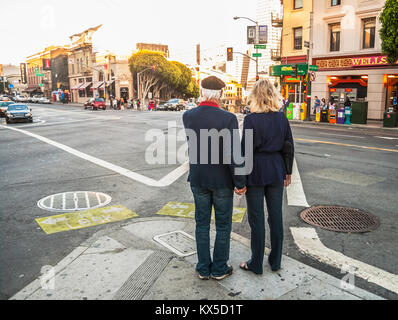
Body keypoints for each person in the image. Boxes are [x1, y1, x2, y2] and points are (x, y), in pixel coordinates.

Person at [183, 76, 246, 281]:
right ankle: (219, 268)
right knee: (222, 225)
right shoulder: (227, 118)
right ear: (219, 95)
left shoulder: (188, 116)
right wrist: (240, 182)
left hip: (198, 178)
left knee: (201, 224)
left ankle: (203, 267)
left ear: (202, 92)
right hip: (221, 181)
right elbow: (232, 153)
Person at [239, 78, 294, 275]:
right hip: (276, 169)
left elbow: (245, 152)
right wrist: (287, 171)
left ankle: (256, 263)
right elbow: (288, 146)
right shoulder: (281, 118)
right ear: (273, 95)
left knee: (256, 219)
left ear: (256, 96)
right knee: (276, 216)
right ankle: (276, 261)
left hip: (255, 170)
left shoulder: (251, 119)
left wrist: (241, 180)